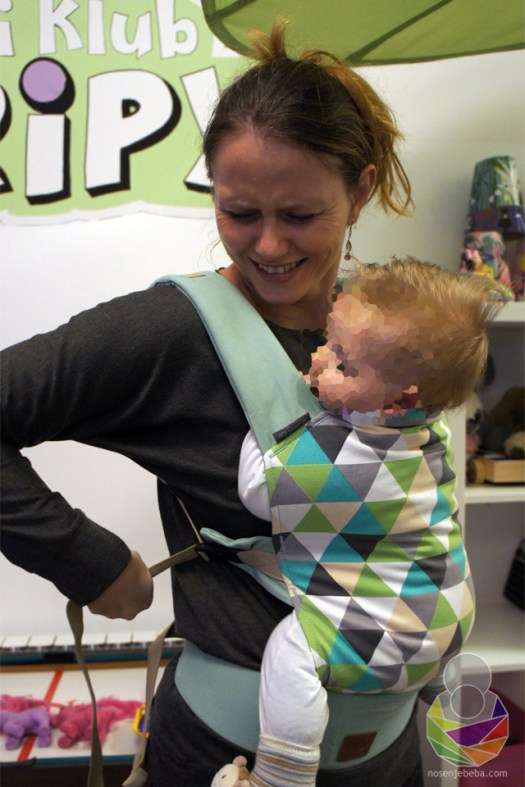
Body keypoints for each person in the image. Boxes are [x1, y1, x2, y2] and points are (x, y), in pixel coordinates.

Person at [2, 19, 444, 786]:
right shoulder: (170, 332)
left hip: (394, 752)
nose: (267, 245)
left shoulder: (383, 329)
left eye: (299, 215)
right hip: (227, 757)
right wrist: (85, 559)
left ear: (359, 189)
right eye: (239, 212)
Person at [227, 258, 505, 786]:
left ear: (400, 401)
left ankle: (282, 773)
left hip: (389, 635)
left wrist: (262, 422)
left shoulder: (341, 464)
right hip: (449, 620)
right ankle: (446, 708)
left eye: (344, 365)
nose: (317, 363)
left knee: (290, 649)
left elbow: (258, 489)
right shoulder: (433, 435)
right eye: (327, 342)